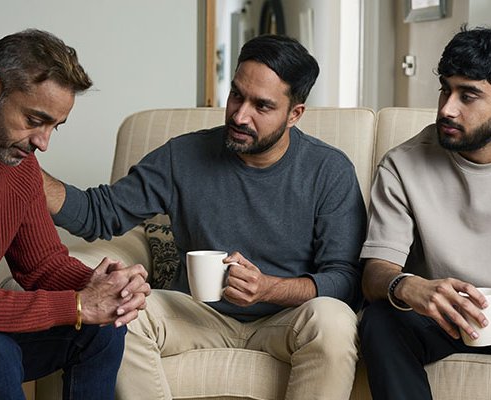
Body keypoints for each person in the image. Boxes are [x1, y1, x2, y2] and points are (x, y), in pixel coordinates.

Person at [44, 34, 366, 399]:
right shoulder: (183, 155)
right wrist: (27, 176)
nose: (240, 115)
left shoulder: (329, 170)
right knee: (120, 307)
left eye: (261, 106)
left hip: (287, 319)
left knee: (335, 321)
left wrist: (269, 288)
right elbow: (99, 214)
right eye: (236, 95)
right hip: (198, 314)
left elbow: (344, 280)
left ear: (295, 114)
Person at [0, 29, 151, 400]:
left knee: (103, 328)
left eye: (53, 128)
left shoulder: (20, 166)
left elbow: (42, 265)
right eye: (34, 120)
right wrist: (77, 304)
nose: (42, 143)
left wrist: (106, 288)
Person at [359, 26, 491, 399]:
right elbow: (374, 274)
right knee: (381, 321)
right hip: (437, 318)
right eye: (445, 89)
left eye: (468, 95)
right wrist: (407, 285)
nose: (447, 108)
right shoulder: (402, 164)